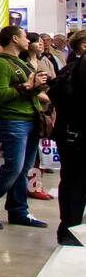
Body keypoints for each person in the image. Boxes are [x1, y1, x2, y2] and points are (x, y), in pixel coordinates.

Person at [0, 25, 49, 230]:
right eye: (25, 37)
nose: (29, 41)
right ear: (15, 39)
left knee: (23, 170)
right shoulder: (0, 64)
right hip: (13, 120)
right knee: (13, 168)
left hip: (31, 118)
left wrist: (37, 88)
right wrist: (29, 87)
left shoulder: (22, 63)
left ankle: (18, 210)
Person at [51, 30, 86, 245]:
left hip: (70, 137)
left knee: (72, 185)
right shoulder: (74, 70)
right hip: (76, 137)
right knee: (74, 185)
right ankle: (70, 229)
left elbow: (55, 95)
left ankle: (69, 230)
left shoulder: (69, 69)